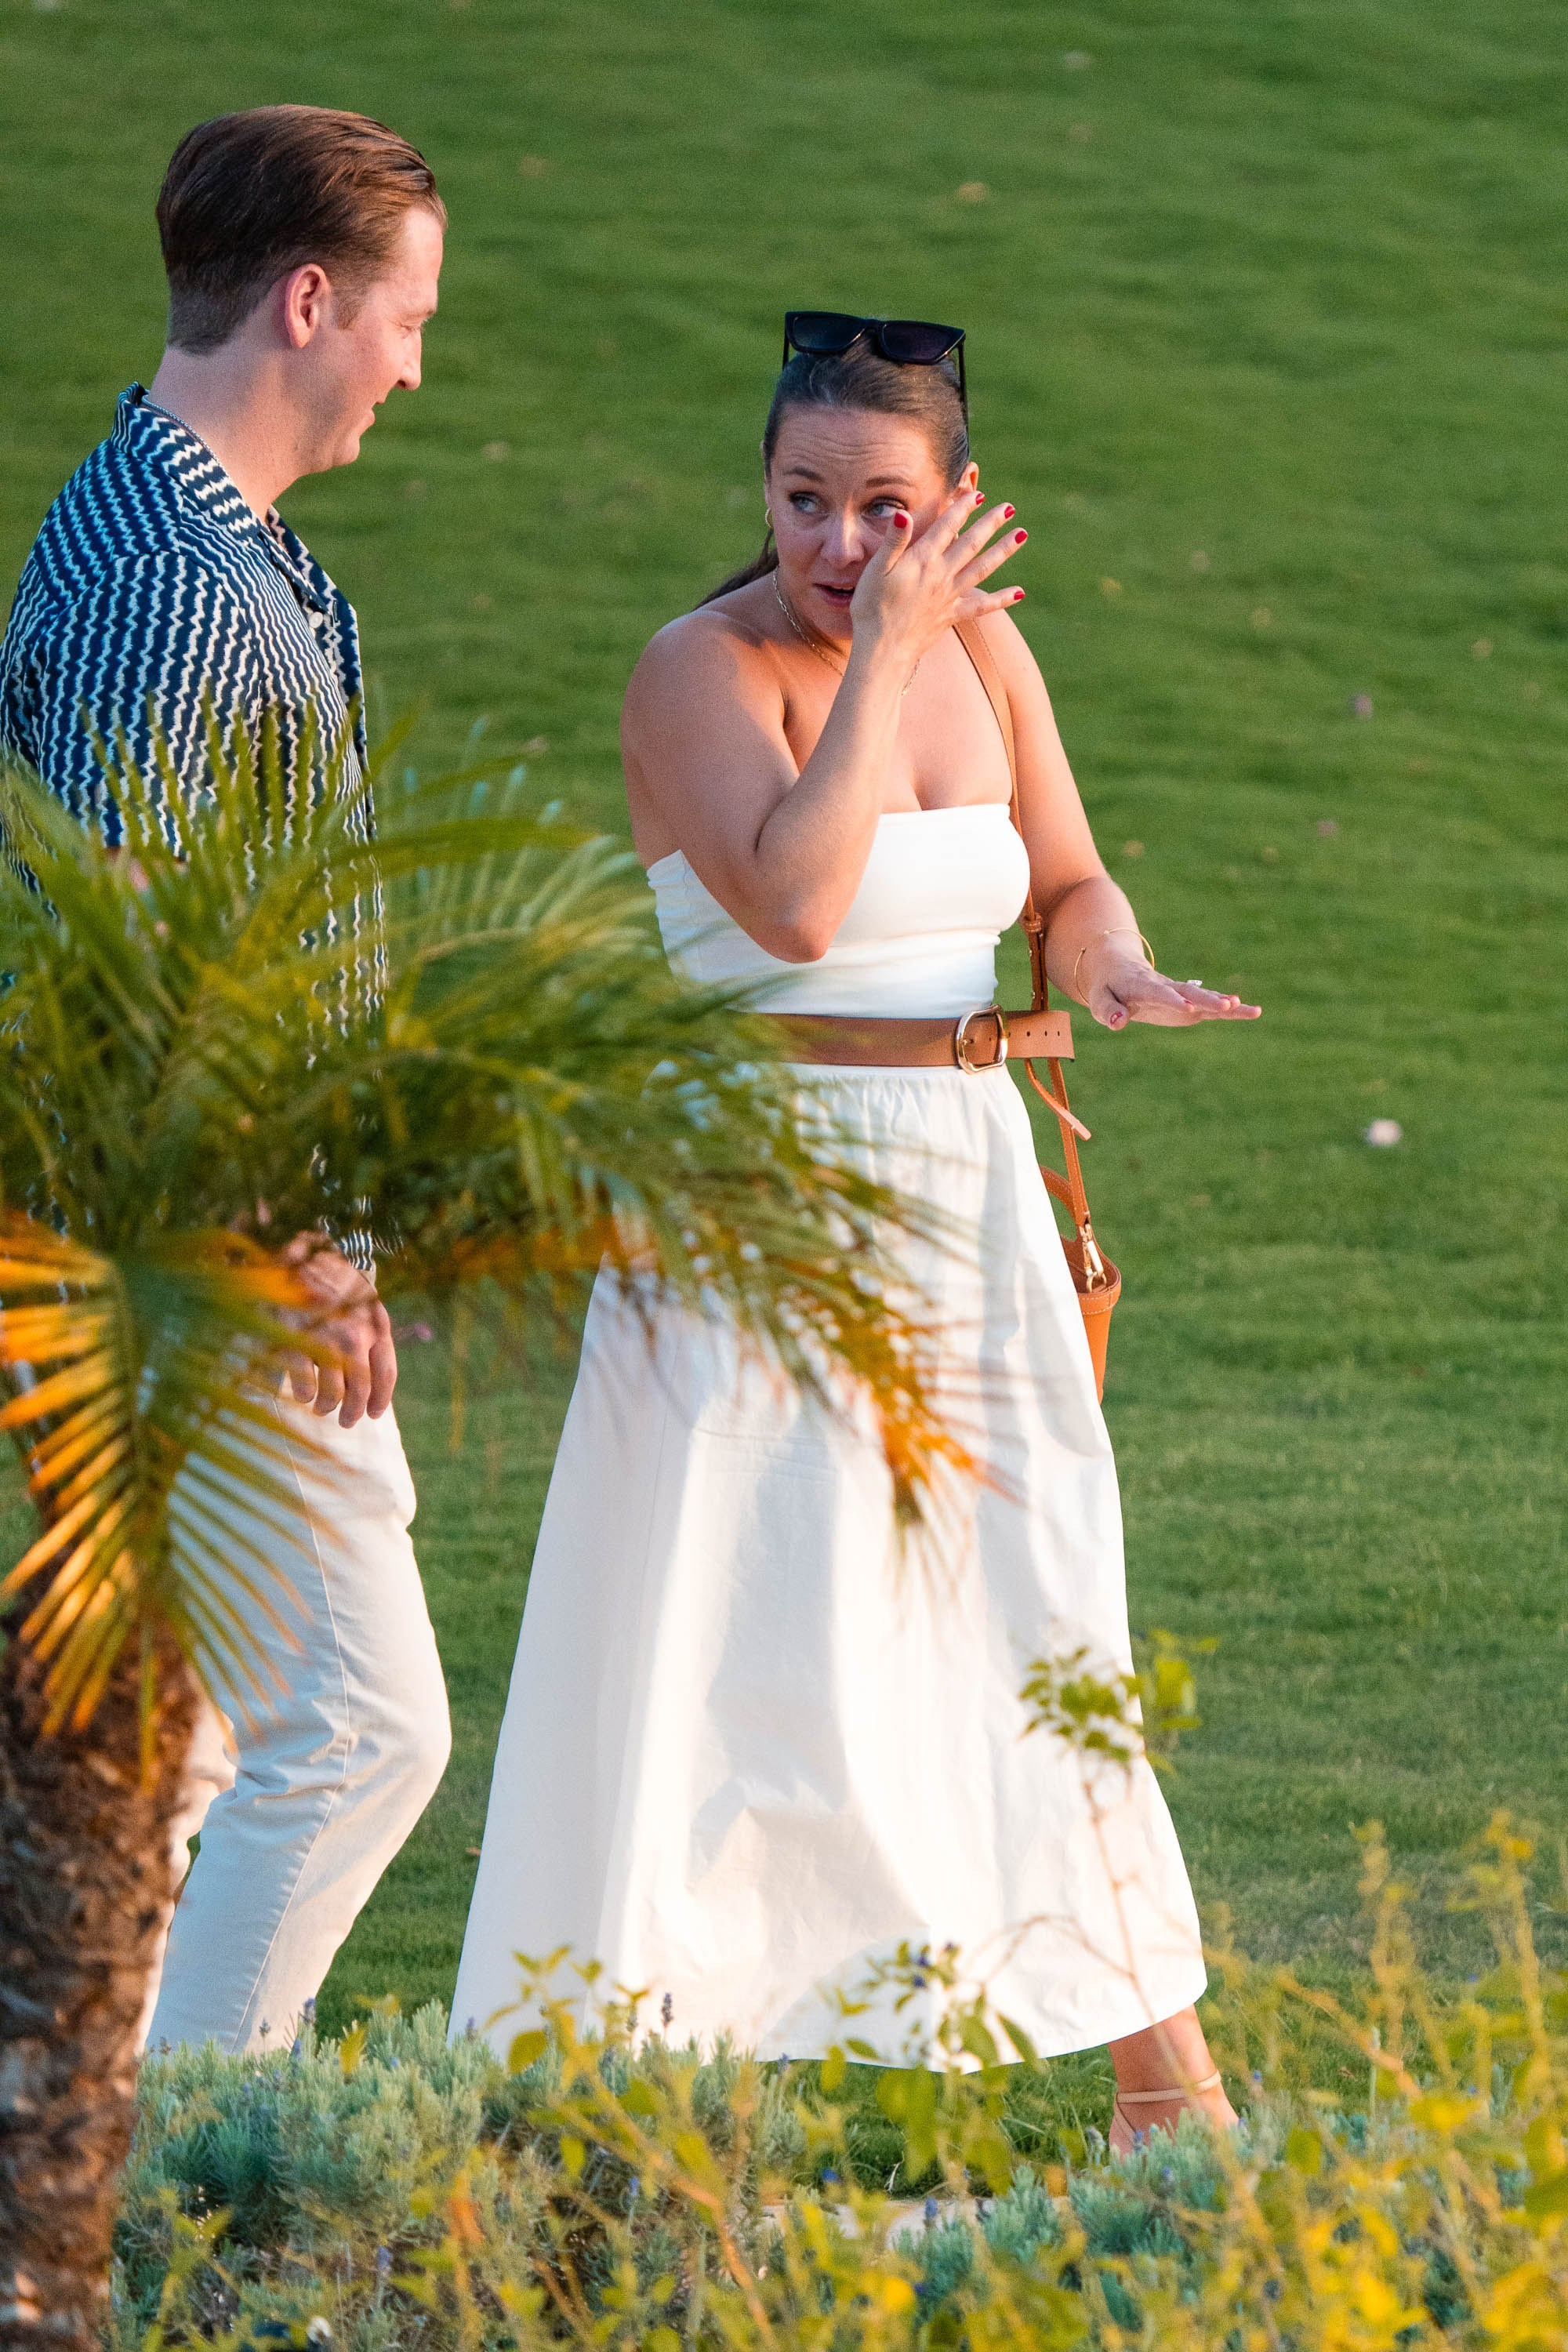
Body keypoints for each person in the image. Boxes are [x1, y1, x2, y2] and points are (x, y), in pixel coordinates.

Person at [453, 318, 1260, 2146]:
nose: (838, 543)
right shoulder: (698, 670)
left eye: (884, 508)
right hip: (755, 1192)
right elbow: (801, 909)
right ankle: (634, 2097)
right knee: (729, 1627)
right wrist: (890, 648)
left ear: (955, 502)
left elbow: (1063, 879)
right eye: (803, 498)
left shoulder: (992, 654)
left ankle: (1165, 2094)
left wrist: (1112, 965)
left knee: (1042, 1598)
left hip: (961, 1183)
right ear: (761, 492)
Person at [0, 105, 452, 2052]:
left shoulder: (185, 535)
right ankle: (181, 2180)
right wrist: (292, 1240)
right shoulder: (172, 589)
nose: (415, 368)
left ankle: (82, 2179)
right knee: (352, 1731)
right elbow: (138, 956)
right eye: (408, 319)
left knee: (175, 1754)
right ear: (310, 301)